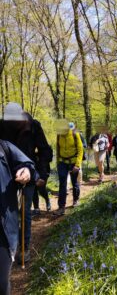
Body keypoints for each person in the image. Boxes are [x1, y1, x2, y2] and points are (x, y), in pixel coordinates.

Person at [0, 103, 51, 262]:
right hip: (6, 175)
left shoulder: (33, 126)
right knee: (7, 211)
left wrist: (42, 174)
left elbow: (44, 151)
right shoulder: (2, 126)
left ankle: (24, 248)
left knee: (24, 212)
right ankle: (9, 246)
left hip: (29, 172)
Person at [0, 139, 38, 295]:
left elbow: (27, 164)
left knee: (1, 285)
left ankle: (25, 246)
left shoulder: (3, 148)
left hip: (2, 230)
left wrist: (27, 171)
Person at [54, 120, 83, 216]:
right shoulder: (59, 135)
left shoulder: (74, 134)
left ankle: (76, 200)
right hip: (62, 162)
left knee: (74, 182)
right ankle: (61, 207)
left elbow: (80, 149)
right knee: (62, 183)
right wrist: (58, 163)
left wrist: (77, 165)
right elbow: (58, 149)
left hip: (73, 162)